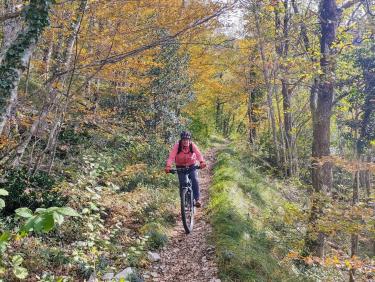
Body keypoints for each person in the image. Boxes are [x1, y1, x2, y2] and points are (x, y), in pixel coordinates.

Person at [165, 131, 206, 207]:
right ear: (181, 140)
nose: (185, 141)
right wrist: (168, 166)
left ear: (189, 140)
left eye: (187, 139)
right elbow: (171, 157)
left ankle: (197, 200)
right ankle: (184, 201)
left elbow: (198, 154)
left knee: (194, 179)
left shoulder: (192, 145)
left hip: (192, 165)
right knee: (183, 183)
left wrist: (201, 162)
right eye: (184, 140)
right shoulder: (177, 146)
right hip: (180, 167)